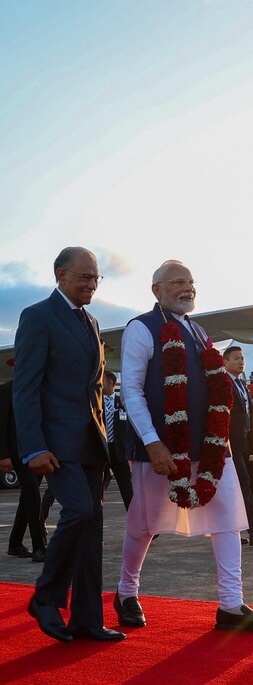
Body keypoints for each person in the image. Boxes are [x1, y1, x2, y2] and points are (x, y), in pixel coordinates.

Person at [113, 260, 253, 633]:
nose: (187, 288)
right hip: (162, 449)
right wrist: (153, 443)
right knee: (143, 525)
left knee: (227, 520)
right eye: (177, 282)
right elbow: (133, 391)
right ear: (156, 289)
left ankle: (231, 605)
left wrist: (221, 442)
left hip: (208, 449)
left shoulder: (200, 332)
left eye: (190, 282)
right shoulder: (142, 328)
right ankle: (126, 592)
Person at [13, 246, 124, 643]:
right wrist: (32, 447)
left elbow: (94, 389)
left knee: (91, 527)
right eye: (84, 277)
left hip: (92, 443)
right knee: (77, 512)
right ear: (60, 275)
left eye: (96, 277)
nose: (92, 283)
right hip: (55, 444)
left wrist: (107, 443)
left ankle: (87, 620)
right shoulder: (37, 317)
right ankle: (45, 597)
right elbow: (25, 389)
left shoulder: (91, 322)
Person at [223, 345, 253, 547]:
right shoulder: (222, 384)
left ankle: (235, 532)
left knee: (239, 488)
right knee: (241, 486)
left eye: (242, 358)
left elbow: (248, 416)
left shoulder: (242, 385)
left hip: (243, 443)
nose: (241, 361)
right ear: (224, 362)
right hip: (229, 445)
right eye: (236, 358)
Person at [0, 377, 48, 561]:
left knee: (28, 497)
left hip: (37, 450)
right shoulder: (7, 389)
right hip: (17, 451)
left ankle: (15, 543)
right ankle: (40, 547)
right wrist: (3, 455)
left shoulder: (39, 388)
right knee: (33, 497)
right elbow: (1, 423)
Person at [102, 371, 133, 509]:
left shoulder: (123, 403)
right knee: (98, 488)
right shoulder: (96, 403)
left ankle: (135, 521)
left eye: (102, 380)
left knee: (127, 489)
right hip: (101, 452)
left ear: (110, 382)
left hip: (119, 452)